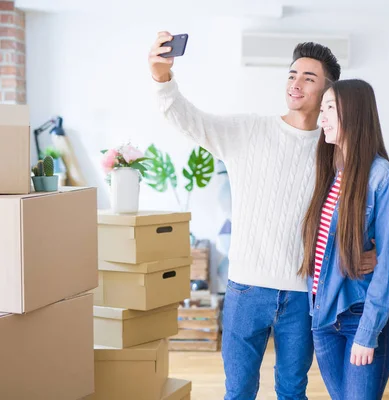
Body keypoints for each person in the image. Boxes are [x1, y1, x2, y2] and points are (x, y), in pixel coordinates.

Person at [147, 33, 376, 400]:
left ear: (328, 94)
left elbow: (361, 207)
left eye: (308, 78)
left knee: (291, 390)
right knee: (238, 392)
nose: (295, 83)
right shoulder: (247, 131)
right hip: (246, 289)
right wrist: (162, 77)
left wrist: (375, 247)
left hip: (303, 296)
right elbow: (187, 119)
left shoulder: (333, 150)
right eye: (292, 74)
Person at [299, 79, 389, 400]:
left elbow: (386, 266)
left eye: (330, 108)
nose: (322, 119)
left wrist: (368, 333)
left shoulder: (384, 178)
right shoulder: (329, 174)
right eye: (322, 109)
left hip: (360, 317)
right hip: (323, 318)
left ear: (355, 114)